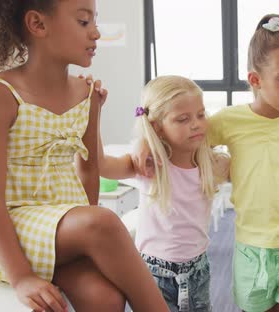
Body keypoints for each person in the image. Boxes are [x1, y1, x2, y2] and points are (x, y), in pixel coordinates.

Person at [0, 1, 167, 311]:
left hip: (59, 225)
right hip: (10, 224)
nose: (95, 33)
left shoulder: (87, 93)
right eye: (83, 22)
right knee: (103, 222)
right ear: (38, 25)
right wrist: (21, 276)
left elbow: (89, 169)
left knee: (105, 298)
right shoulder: (1, 92)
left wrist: (85, 235)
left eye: (95, 21)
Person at [133, 13, 279, 312]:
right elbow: (179, 136)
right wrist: (144, 139)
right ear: (255, 79)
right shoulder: (229, 120)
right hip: (250, 250)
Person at [98, 75, 229, 311]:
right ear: (158, 126)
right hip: (153, 275)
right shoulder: (148, 166)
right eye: (183, 119)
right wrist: (92, 115)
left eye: (201, 115)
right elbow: (100, 165)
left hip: (198, 270)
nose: (196, 124)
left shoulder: (214, 164)